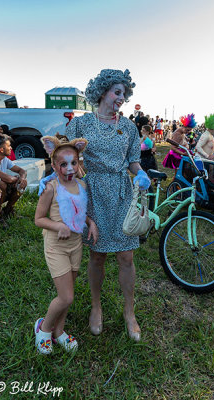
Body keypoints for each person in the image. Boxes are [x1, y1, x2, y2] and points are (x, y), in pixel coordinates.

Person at [39, 69, 151, 342]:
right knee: (97, 255)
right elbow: (65, 155)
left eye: (124, 93)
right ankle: (96, 307)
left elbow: (133, 160)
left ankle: (129, 312)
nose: (121, 98)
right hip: (92, 192)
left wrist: (140, 172)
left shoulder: (129, 127)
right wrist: (51, 178)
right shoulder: (81, 124)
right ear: (102, 92)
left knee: (126, 256)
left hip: (122, 192)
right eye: (117, 92)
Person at [34, 134, 98, 355]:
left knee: (68, 292)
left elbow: (80, 211)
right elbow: (38, 219)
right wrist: (56, 226)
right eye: (64, 164)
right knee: (66, 296)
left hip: (75, 245)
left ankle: (59, 331)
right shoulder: (51, 188)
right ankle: (43, 329)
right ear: (53, 164)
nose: (70, 168)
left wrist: (91, 223)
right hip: (56, 246)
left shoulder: (81, 184)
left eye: (74, 162)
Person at [0, 135, 27, 226]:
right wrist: (18, 179)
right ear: (1, 150)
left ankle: (8, 210)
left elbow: (22, 171)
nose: (11, 148)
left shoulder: (4, 159)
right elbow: (7, 179)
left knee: (23, 182)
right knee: (1, 184)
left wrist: (22, 178)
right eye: (9, 146)